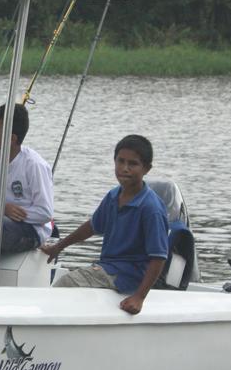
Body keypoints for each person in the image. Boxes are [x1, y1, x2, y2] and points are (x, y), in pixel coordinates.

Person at [42, 134, 169, 315]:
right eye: (120, 161)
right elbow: (92, 226)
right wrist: (59, 247)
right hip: (108, 267)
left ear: (146, 168)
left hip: (128, 276)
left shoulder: (151, 208)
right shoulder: (113, 196)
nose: (124, 168)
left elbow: (159, 257)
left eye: (132, 164)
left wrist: (139, 297)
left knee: (66, 283)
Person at [0, 103, 53, 253]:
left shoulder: (34, 165)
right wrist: (1, 209)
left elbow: (45, 213)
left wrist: (13, 214)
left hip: (31, 230)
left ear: (12, 138)